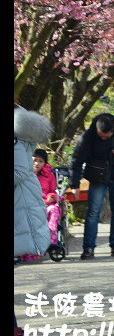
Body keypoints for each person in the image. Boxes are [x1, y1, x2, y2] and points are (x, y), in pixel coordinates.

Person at [69, 113, 114, 259]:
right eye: (100, 135)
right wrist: (74, 184)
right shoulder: (88, 136)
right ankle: (88, 247)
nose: (102, 138)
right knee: (93, 212)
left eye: (106, 136)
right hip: (97, 177)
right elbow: (76, 160)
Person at [15, 105, 53, 260]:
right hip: (24, 193)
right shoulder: (21, 136)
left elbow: (19, 172)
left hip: (21, 194)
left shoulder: (16, 140)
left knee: (27, 229)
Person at [32, 149, 62, 246]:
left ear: (45, 163)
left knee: (54, 209)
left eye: (41, 161)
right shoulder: (25, 174)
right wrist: (33, 173)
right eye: (35, 160)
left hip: (46, 203)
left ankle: (51, 238)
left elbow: (53, 191)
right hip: (29, 205)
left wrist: (50, 198)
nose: (37, 163)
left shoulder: (50, 175)